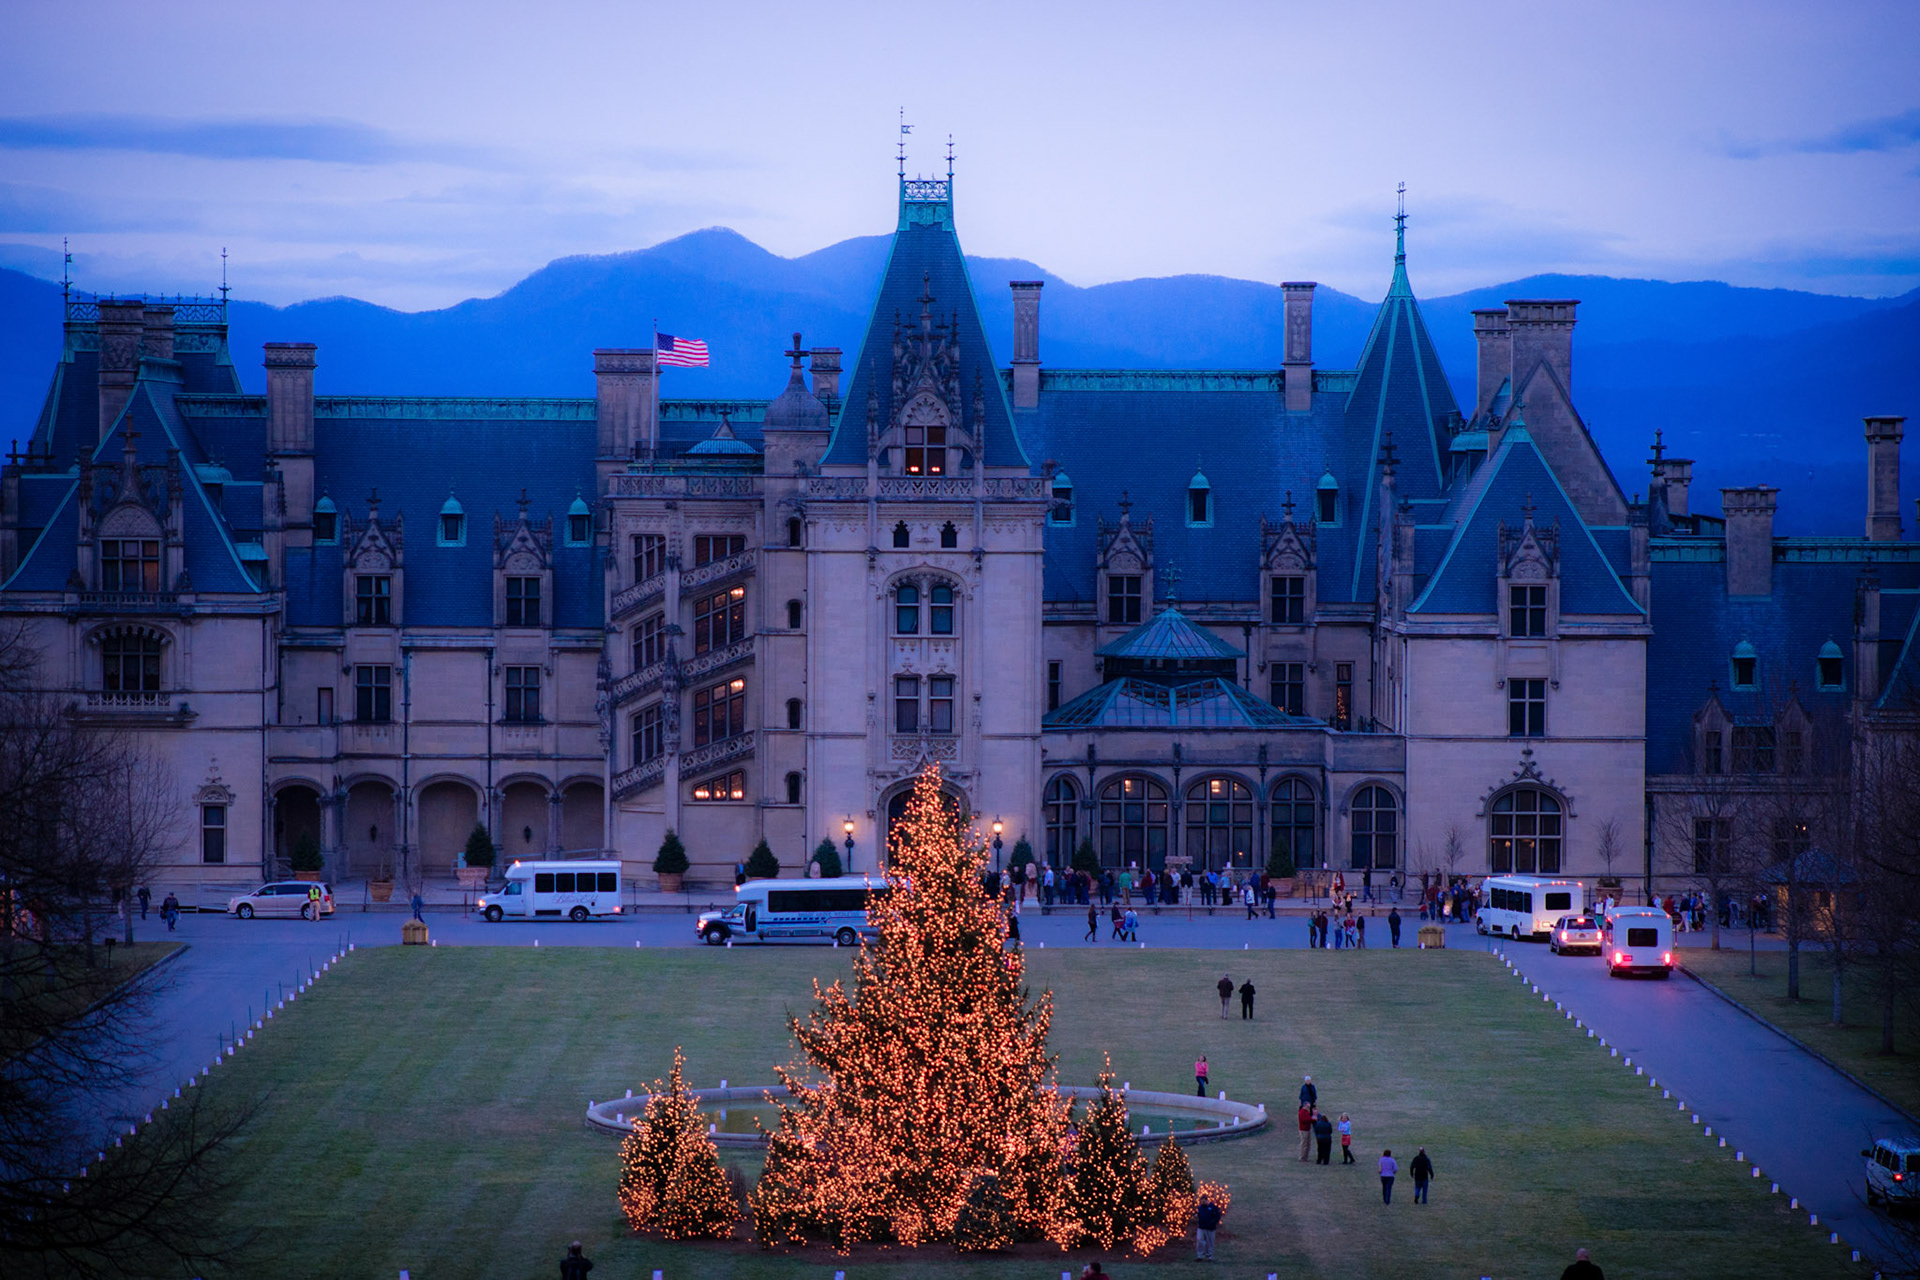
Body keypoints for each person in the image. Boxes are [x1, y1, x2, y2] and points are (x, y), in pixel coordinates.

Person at [1193, 1190, 1222, 1261]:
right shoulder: (1200, 1208)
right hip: (1201, 1227)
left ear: (1206, 1200)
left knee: (1210, 1242)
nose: (1202, 1203)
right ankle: (1200, 1256)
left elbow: (1217, 1216)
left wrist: (1213, 1222)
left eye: (1203, 1201)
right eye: (1201, 1202)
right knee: (1200, 1240)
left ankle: (1209, 1256)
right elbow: (1198, 1214)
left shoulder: (1213, 1207)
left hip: (1210, 1228)